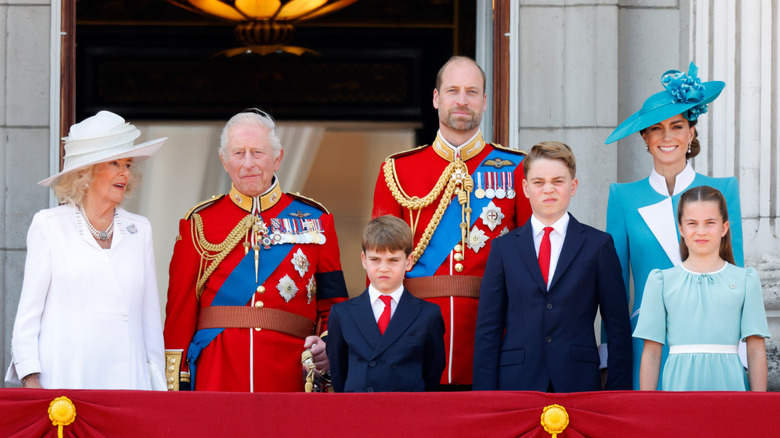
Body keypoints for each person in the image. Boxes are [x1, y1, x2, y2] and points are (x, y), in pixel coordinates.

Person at [371, 56, 532, 388]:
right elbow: (380, 265)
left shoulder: (518, 168)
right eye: (452, 91)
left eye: (471, 92)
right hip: (413, 337)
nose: (462, 100)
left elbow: (531, 261)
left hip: (492, 335)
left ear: (484, 101)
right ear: (436, 98)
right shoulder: (398, 170)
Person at [163, 109, 349, 392]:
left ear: (278, 158)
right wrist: (178, 384)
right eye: (238, 153)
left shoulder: (316, 220)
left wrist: (327, 345)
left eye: (257, 152)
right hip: (216, 376)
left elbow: (333, 306)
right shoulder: (198, 223)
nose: (248, 163)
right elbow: (180, 314)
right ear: (224, 161)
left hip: (289, 378)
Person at [603, 62, 743, 389]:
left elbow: (736, 275)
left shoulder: (723, 189)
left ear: (691, 133)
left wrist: (742, 349)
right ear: (645, 137)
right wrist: (610, 353)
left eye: (677, 126)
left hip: (713, 342)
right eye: (656, 128)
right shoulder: (623, 197)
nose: (667, 137)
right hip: (646, 343)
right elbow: (614, 286)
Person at [5, 111, 167, 390]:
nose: (125, 172)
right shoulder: (50, 226)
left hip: (129, 384)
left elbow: (150, 319)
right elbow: (28, 316)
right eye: (114, 163)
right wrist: (30, 378)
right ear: (86, 172)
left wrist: (157, 385)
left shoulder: (139, 229)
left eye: (127, 164)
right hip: (67, 380)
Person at [473, 141, 632, 392]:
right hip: (517, 383)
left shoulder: (598, 245)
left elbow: (617, 325)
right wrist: (485, 398)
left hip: (578, 382)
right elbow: (488, 329)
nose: (548, 189)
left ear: (573, 186)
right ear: (525, 188)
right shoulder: (503, 248)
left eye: (558, 181)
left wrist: (617, 392)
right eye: (539, 182)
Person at [634, 186, 768, 391]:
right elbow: (651, 352)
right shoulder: (661, 281)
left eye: (710, 223)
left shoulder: (745, 280)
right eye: (692, 223)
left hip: (730, 389)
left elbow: (756, 350)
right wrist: (647, 406)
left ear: (724, 228)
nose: (701, 231)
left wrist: (759, 405)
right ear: (681, 229)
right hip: (679, 390)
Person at [327, 215, 445, 392]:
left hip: (407, 406)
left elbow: (432, 371)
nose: (383, 268)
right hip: (359, 406)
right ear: (364, 260)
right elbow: (339, 372)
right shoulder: (342, 314)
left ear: (409, 261)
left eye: (393, 260)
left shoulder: (428, 314)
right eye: (375, 259)